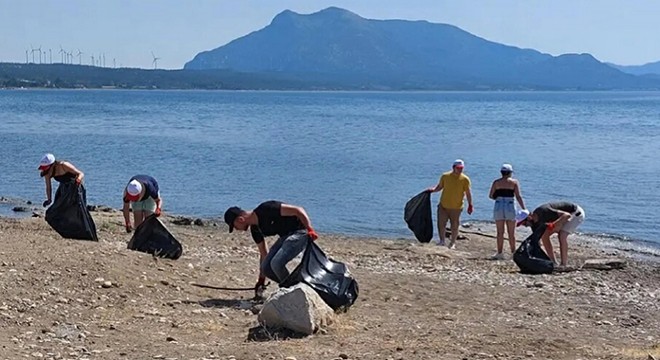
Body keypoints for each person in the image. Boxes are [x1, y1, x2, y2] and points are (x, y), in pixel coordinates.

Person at [224, 200, 319, 298]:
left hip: (300, 232)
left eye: (234, 226)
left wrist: (310, 229)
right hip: (284, 237)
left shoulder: (266, 208)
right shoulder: (256, 230)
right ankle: (291, 286)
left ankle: (292, 291)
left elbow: (298, 210)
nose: (236, 229)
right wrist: (261, 280)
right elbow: (263, 254)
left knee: (276, 263)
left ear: (240, 219)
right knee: (266, 267)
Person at [517, 201, 585, 267]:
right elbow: (537, 240)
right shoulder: (534, 225)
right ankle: (553, 262)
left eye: (524, 223)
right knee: (544, 236)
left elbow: (566, 215)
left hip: (576, 213)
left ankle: (563, 264)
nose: (525, 226)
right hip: (564, 217)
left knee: (562, 235)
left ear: (529, 218)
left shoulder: (544, 211)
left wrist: (555, 224)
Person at [426, 159, 473, 249]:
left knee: (454, 225)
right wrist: (432, 190)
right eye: (458, 168)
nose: (460, 170)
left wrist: (470, 205)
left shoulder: (465, 179)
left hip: (456, 207)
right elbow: (440, 187)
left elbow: (468, 193)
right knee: (441, 223)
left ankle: (452, 243)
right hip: (443, 205)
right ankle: (442, 241)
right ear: (453, 167)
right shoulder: (445, 176)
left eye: (461, 168)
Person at [488, 163, 526, 259]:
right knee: (511, 232)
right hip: (510, 205)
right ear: (510, 173)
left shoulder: (496, 182)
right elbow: (518, 196)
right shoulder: (514, 182)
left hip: (499, 204)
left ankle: (500, 253)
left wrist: (498, 196)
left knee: (500, 232)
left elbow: (491, 195)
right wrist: (524, 208)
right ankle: (513, 253)